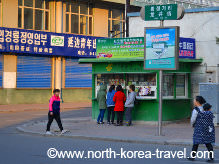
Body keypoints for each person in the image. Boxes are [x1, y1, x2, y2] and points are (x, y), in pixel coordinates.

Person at [188, 97, 215, 162]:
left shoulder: (196, 110)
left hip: (199, 129)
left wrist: (192, 125)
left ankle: (192, 156)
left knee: (196, 143)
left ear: (197, 102)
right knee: (208, 143)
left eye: (194, 100)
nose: (194, 101)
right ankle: (211, 157)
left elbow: (193, 120)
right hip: (206, 129)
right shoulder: (204, 108)